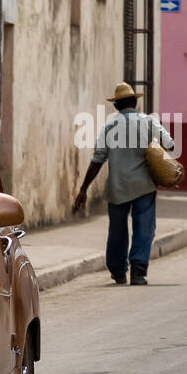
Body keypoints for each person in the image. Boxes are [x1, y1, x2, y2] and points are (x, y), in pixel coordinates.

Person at [72, 82, 175, 285]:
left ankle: (118, 272)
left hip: (117, 187)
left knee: (117, 229)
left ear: (117, 106)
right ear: (135, 103)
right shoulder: (148, 121)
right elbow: (170, 144)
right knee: (144, 227)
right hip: (144, 186)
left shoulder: (110, 126)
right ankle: (138, 271)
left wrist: (83, 189)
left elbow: (97, 160)